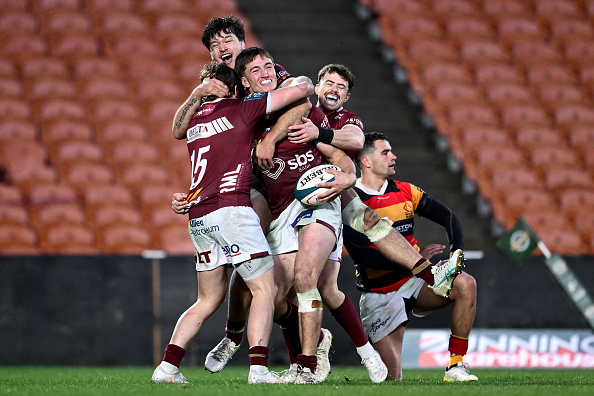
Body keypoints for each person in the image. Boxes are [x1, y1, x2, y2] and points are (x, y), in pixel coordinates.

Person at [151, 61, 315, 384]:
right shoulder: (244, 107)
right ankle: (259, 370)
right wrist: (281, 80)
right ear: (234, 86)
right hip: (231, 210)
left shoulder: (194, 120)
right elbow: (303, 91)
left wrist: (198, 93)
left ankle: (168, 366)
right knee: (265, 290)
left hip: (198, 216)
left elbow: (175, 129)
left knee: (207, 299)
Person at [343, 132, 478, 382]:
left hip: (417, 281)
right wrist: (415, 262)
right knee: (391, 379)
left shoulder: (407, 191)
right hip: (380, 292)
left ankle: (456, 366)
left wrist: (455, 250)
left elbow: (451, 218)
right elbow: (364, 257)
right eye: (385, 152)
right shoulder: (351, 201)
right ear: (366, 161)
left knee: (465, 283)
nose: (394, 156)